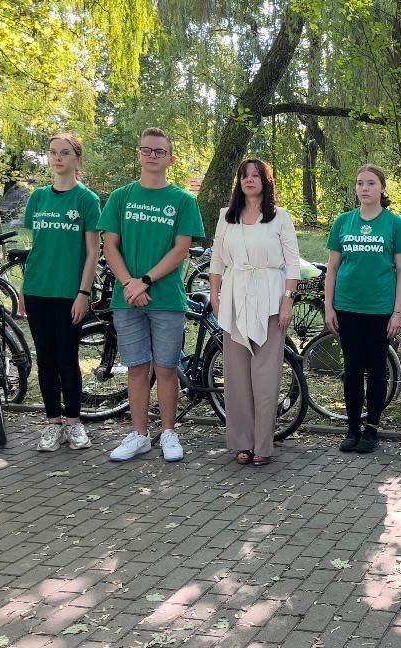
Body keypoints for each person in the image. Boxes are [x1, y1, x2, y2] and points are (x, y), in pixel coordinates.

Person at [99, 127, 205, 463]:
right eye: (147, 150)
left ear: (171, 159)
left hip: (167, 299)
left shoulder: (183, 200)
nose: (152, 156)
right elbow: (109, 246)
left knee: (166, 368)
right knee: (136, 368)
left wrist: (144, 281)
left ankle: (169, 432)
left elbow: (181, 249)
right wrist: (129, 283)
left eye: (159, 151)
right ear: (139, 155)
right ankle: (139, 435)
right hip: (127, 298)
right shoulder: (121, 197)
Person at [210, 158, 310, 466]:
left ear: (265, 182)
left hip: (269, 300)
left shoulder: (280, 217)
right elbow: (217, 261)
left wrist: (287, 301)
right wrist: (215, 294)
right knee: (237, 378)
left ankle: (263, 445)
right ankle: (242, 442)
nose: (249, 180)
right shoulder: (227, 217)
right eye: (244, 176)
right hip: (235, 299)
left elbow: (292, 263)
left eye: (256, 175)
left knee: (265, 378)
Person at [21, 133, 101, 453]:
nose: (57, 158)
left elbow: (93, 252)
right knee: (45, 359)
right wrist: (24, 287)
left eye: (65, 153)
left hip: (69, 292)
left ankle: (74, 422)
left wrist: (83, 292)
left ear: (77, 159)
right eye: (53, 152)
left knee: (67, 358)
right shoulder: (38, 197)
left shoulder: (86, 199)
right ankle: (53, 421)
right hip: (37, 289)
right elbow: (36, 247)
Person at [324, 164, 401, 453]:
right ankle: (352, 429)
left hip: (380, 309)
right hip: (347, 306)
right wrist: (329, 307)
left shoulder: (394, 224)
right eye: (360, 183)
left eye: (371, 183)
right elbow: (332, 269)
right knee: (352, 368)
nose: (365, 188)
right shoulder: (343, 222)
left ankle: (372, 428)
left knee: (375, 368)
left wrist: (398, 312)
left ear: (382, 188)